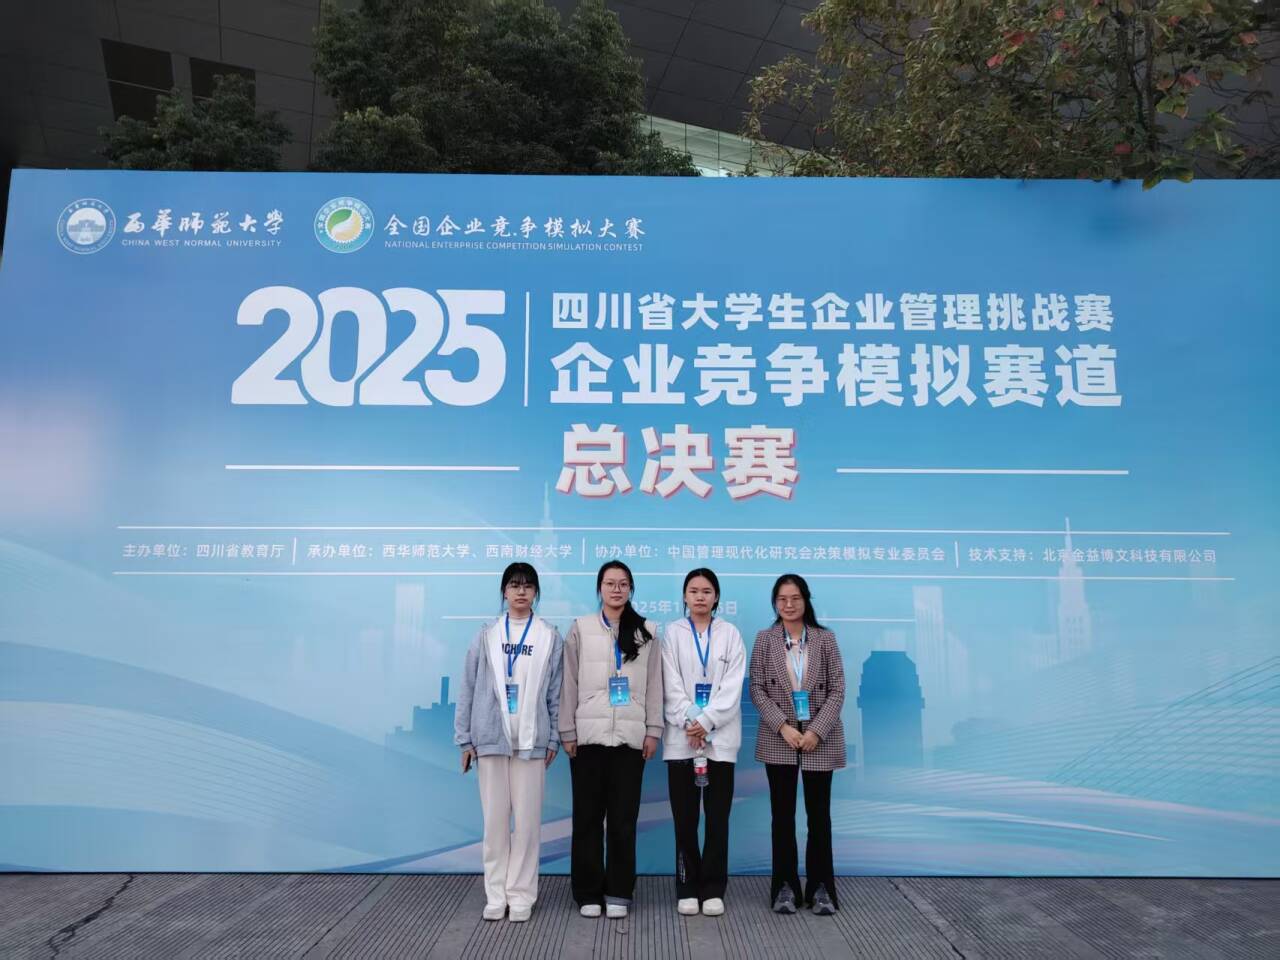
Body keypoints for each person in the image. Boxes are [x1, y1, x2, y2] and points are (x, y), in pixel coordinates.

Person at [454, 562, 563, 923]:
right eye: (514, 585)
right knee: (495, 824)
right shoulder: (486, 636)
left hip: (531, 743)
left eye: (528, 586)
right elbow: (468, 687)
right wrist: (464, 739)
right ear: (504, 591)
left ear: (536, 592)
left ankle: (521, 895)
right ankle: (496, 893)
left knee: (528, 825)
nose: (521, 591)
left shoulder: (549, 636)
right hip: (490, 740)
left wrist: (552, 737)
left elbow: (556, 693)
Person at [560, 560, 663, 919]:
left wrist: (653, 730)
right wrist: (567, 731)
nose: (616, 589)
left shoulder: (647, 632)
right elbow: (568, 682)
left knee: (623, 820)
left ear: (631, 589)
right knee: (587, 819)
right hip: (588, 737)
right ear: (599, 588)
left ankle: (619, 890)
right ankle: (588, 892)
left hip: (630, 739)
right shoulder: (581, 628)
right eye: (609, 583)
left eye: (623, 584)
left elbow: (655, 684)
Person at [748, 573, 846, 916]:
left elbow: (838, 689)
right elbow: (757, 688)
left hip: (820, 738)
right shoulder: (764, 639)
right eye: (782, 599)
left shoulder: (825, 638)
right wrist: (783, 727)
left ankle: (821, 888)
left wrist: (816, 730)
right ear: (775, 603)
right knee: (782, 817)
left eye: (795, 598)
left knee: (819, 818)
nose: (788, 605)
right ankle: (784, 887)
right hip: (780, 738)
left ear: (806, 600)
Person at [661, 567, 746, 917]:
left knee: (717, 819)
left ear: (716, 597)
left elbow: (732, 686)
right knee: (684, 820)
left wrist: (706, 722)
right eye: (693, 591)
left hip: (720, 741)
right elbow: (669, 684)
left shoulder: (730, 634)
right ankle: (686, 886)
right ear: (684, 596)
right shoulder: (672, 633)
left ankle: (713, 888)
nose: (700, 596)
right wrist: (690, 721)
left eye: (707, 591)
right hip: (682, 740)